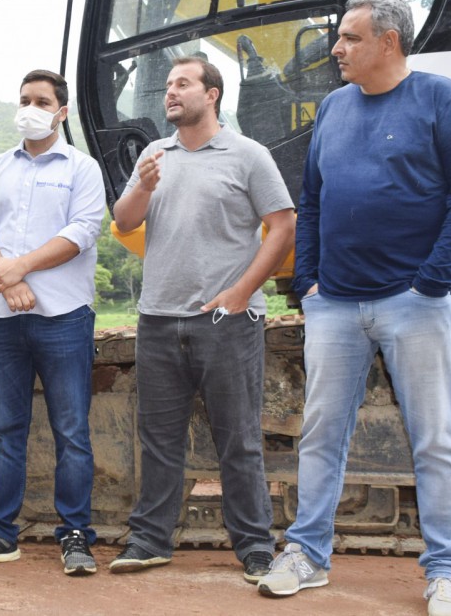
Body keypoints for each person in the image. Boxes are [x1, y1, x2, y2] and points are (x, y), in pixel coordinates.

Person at [256, 0, 451, 616]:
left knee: (435, 440)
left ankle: (445, 574)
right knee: (321, 434)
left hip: (415, 302)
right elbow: (312, 198)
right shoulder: (333, 107)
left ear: (389, 41)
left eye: (351, 38)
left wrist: (433, 281)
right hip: (335, 305)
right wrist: (309, 283)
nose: (337, 48)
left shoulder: (442, 100)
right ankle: (306, 555)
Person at [110, 56, 295, 582]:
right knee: (158, 438)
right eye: (168, 84)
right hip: (159, 320)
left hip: (226, 322)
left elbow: (282, 227)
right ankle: (149, 541)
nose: (170, 92)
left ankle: (255, 547)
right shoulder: (154, 153)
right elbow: (123, 221)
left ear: (211, 94)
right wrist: (142, 185)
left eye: (182, 84)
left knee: (238, 439)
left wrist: (241, 293)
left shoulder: (248, 155)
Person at [0, 70, 106, 575]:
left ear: (61, 111)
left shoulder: (82, 169)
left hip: (63, 318)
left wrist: (20, 267)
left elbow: (82, 231)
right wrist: (7, 279)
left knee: (71, 431)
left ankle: (76, 536)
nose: (31, 108)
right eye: (24, 99)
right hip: (2, 320)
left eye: (42, 101)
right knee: (6, 431)